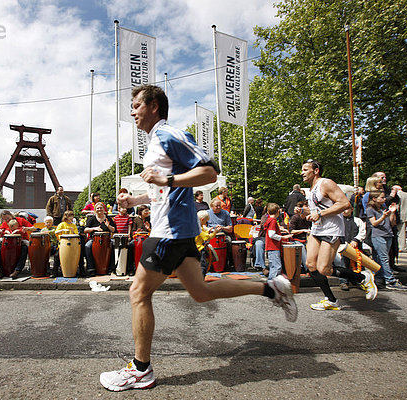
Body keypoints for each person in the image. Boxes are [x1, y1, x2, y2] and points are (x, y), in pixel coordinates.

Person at [100, 84, 297, 392]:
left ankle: (140, 370)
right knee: (201, 292)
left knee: (138, 293)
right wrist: (135, 202)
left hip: (170, 232)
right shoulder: (154, 143)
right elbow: (162, 193)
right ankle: (271, 289)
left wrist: (166, 178)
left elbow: (208, 172)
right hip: (176, 230)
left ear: (153, 106)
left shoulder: (169, 135)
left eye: (136, 105)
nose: (132, 111)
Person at [301, 160, 377, 311]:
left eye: (305, 169)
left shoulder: (326, 183)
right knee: (311, 265)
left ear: (316, 170)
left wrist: (320, 213)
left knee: (323, 269)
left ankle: (363, 277)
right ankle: (331, 300)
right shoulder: (311, 189)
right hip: (317, 230)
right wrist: (305, 213)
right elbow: (316, 211)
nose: (302, 173)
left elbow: (344, 204)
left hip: (331, 230)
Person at [366, 191, 407, 290]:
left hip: (388, 233)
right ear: (374, 199)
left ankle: (379, 278)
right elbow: (374, 223)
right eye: (382, 197)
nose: (384, 199)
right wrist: (383, 216)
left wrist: (392, 213)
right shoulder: (370, 209)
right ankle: (390, 280)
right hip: (378, 235)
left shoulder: (383, 208)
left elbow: (392, 223)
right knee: (384, 257)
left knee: (379, 258)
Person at [0, 210, 36, 279]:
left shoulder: (20, 220)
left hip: (20, 241)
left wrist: (26, 228)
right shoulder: (4, 223)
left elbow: (33, 228)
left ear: (11, 216)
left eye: (7, 218)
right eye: (4, 219)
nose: (6, 220)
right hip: (7, 242)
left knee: (24, 250)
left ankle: (17, 270)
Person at [84, 202, 116, 276]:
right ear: (95, 210)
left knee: (113, 245)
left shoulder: (108, 219)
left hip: (107, 239)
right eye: (97, 208)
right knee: (87, 246)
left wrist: (108, 226)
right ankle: (91, 268)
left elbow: (114, 230)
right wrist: (95, 228)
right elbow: (85, 230)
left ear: (104, 209)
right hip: (94, 239)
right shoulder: (92, 218)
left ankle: (111, 268)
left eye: (101, 208)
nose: (99, 209)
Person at [264, 203, 293, 281]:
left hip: (272, 247)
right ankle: (271, 285)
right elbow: (271, 235)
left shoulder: (269, 220)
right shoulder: (273, 221)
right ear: (278, 211)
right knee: (276, 267)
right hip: (273, 248)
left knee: (274, 266)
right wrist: (283, 237)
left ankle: (271, 284)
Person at [195, 210, 220, 276]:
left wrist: (210, 230)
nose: (206, 223)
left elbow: (203, 234)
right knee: (202, 266)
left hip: (195, 248)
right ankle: (201, 281)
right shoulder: (198, 228)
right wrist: (215, 232)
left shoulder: (195, 225)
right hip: (199, 249)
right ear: (202, 219)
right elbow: (206, 237)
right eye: (205, 221)